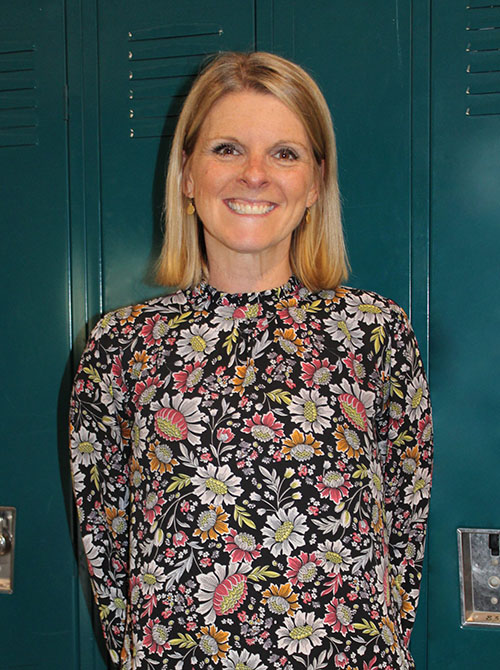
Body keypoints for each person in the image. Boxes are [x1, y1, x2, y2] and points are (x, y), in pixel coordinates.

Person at [69, 51, 433, 670]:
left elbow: (406, 518)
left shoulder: (373, 333)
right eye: (228, 149)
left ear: (316, 182)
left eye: (285, 153)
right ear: (187, 174)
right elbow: (108, 544)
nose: (255, 175)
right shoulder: (120, 345)